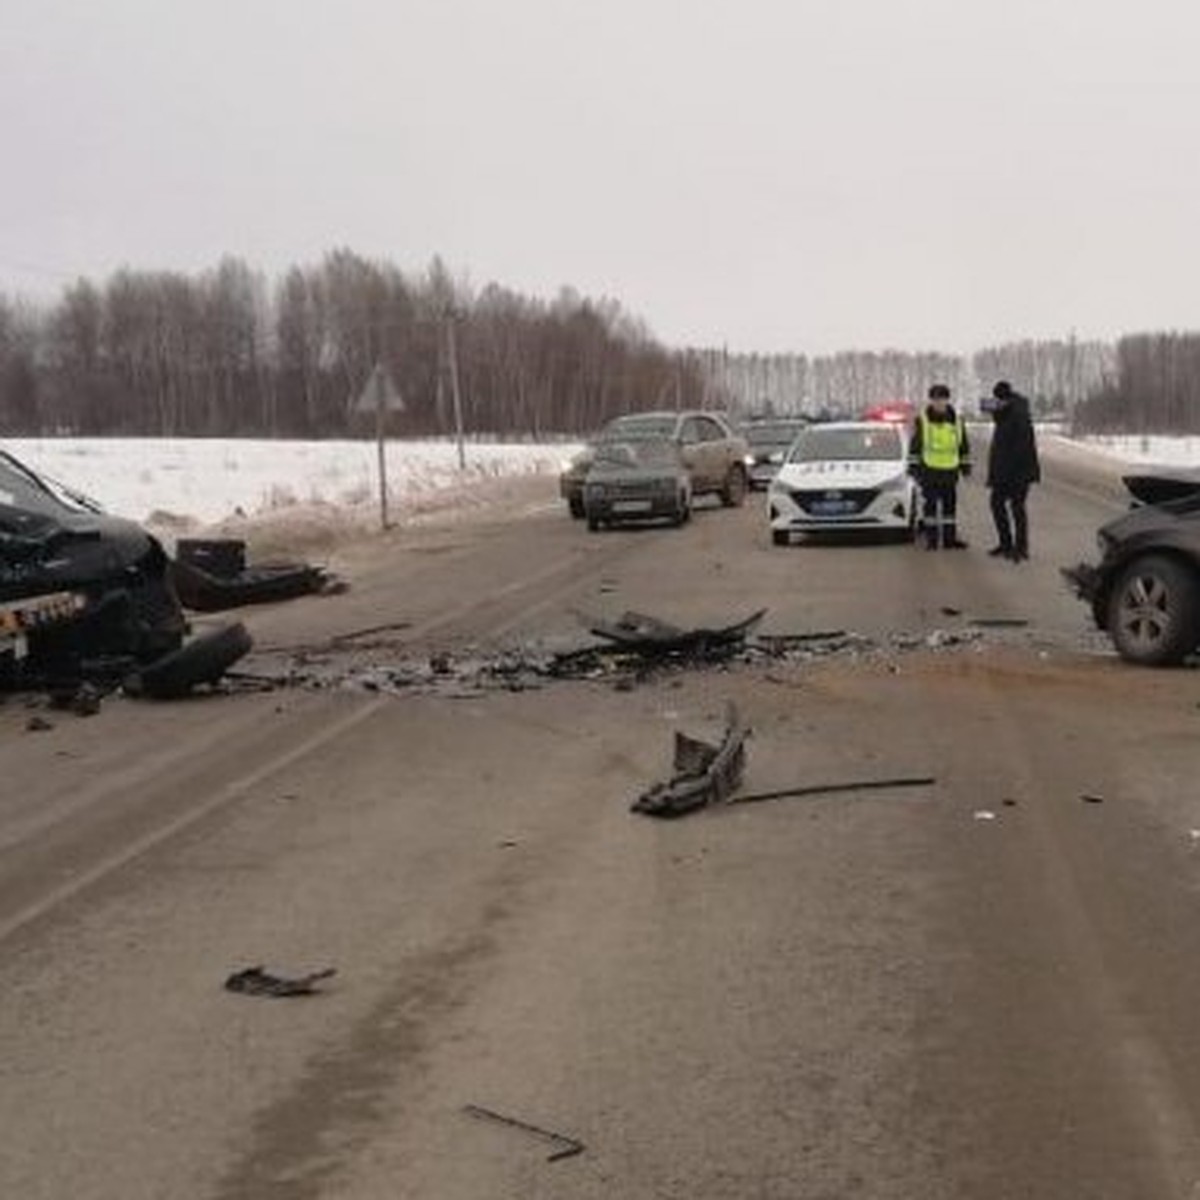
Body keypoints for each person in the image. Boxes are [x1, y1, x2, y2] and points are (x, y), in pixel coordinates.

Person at [908, 383, 971, 549]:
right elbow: (915, 445)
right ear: (931, 401)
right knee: (930, 508)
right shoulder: (922, 420)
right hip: (929, 470)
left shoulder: (957, 420)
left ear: (947, 400)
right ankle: (932, 540)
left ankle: (950, 540)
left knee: (950, 508)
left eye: (942, 399)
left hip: (950, 471)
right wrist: (913, 467)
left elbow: (963, 445)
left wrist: (965, 466)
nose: (939, 403)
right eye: (935, 399)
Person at [986, 380, 1040, 561]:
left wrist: (1012, 472)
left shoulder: (1019, 413)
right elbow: (1000, 447)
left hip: (1019, 473)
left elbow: (1022, 447)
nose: (994, 403)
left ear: (1005, 398)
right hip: (1004, 472)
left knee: (1017, 508)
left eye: (997, 400)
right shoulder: (1005, 413)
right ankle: (1006, 544)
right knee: (996, 504)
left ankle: (1021, 548)